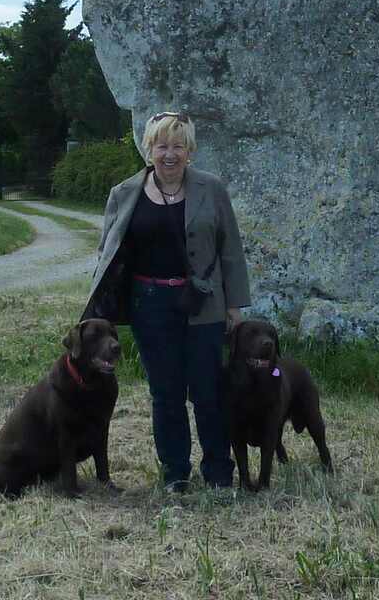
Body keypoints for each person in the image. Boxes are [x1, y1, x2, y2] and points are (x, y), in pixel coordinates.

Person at [83, 111, 251, 492]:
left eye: (178, 145)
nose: (169, 153)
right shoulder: (123, 194)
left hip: (204, 302)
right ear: (149, 149)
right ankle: (175, 472)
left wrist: (234, 306)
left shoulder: (212, 189)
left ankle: (218, 472)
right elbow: (107, 253)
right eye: (162, 145)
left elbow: (231, 250)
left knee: (208, 391)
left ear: (190, 150)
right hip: (150, 304)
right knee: (166, 393)